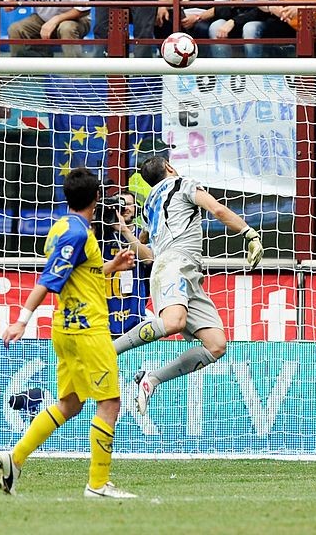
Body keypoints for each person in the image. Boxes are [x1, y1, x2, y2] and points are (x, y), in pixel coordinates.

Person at [0, 167, 137, 499]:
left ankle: (15, 459)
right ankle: (98, 484)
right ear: (97, 197)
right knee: (110, 403)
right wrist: (22, 319)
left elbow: (80, 274)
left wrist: (111, 266)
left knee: (69, 403)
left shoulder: (61, 227)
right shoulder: (78, 235)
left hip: (65, 329)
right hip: (88, 330)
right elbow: (49, 279)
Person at [110, 156, 264, 415]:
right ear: (170, 168)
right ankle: (108, 351)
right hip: (175, 266)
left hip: (184, 272)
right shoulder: (183, 184)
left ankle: (152, 379)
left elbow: (149, 254)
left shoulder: (150, 205)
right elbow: (218, 210)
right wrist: (249, 233)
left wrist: (127, 232)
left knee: (216, 345)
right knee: (173, 322)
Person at [103, 190, 152, 336]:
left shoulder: (142, 235)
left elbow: (148, 259)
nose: (124, 208)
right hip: (103, 310)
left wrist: (124, 230)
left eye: (128, 204)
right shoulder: (101, 235)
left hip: (133, 309)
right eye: (120, 204)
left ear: (136, 208)